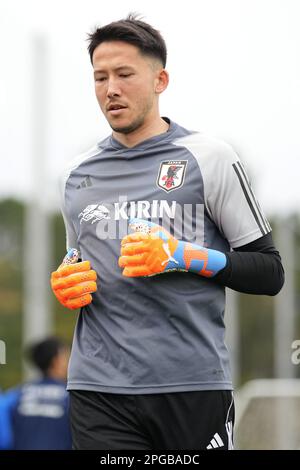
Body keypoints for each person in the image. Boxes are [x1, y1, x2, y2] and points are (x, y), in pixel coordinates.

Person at [50, 14, 284, 450]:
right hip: (98, 390)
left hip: (191, 385)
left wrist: (184, 256)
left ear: (160, 80)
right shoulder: (73, 175)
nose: (110, 89)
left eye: (124, 74)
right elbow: (75, 261)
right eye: (99, 77)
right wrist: (65, 282)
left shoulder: (210, 158)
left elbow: (270, 272)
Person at [0, 336, 72, 450]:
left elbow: (3, 439)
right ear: (57, 361)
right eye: (67, 357)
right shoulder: (71, 398)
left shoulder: (15, 395)